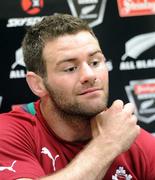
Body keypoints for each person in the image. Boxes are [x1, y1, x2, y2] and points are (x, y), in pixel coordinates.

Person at [0, 13, 155, 180]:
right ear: (38, 84)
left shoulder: (131, 139)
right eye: (70, 68)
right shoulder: (11, 132)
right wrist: (108, 144)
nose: (89, 75)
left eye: (95, 62)